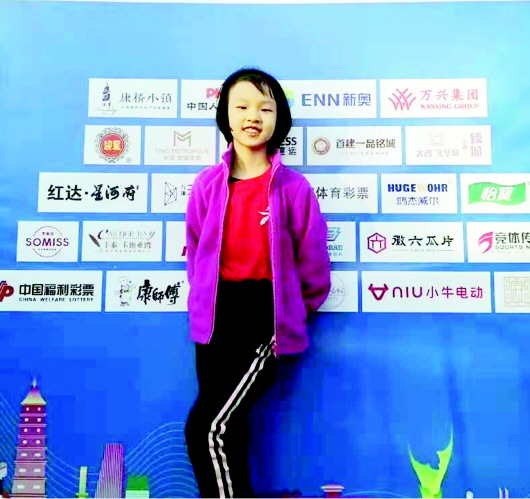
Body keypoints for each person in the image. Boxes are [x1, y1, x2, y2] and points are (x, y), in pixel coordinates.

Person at [184, 68, 331, 498]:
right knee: (227, 431)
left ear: (278, 119)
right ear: (226, 117)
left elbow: (313, 265)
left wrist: (290, 312)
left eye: (265, 108)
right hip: (215, 319)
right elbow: (196, 251)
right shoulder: (207, 184)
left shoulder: (294, 188)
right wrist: (204, 302)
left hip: (266, 318)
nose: (253, 116)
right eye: (242, 106)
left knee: (206, 428)